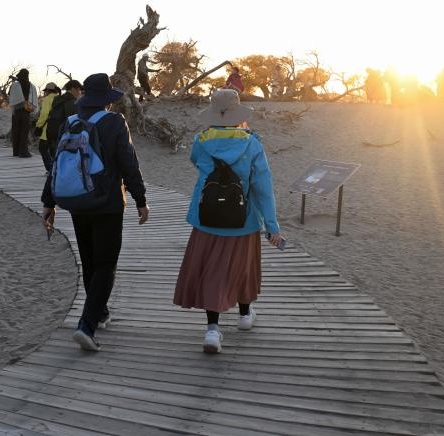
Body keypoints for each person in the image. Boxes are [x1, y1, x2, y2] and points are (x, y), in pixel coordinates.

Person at [41, 73, 149, 352]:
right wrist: (140, 198)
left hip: (77, 200)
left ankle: (98, 313)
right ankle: (86, 325)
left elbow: (57, 164)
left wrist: (48, 202)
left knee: (89, 260)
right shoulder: (114, 122)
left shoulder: (71, 122)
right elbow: (128, 162)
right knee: (106, 263)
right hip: (108, 202)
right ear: (107, 101)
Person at [173, 88, 282, 354]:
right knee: (244, 268)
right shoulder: (252, 144)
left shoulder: (201, 140)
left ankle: (212, 330)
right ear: (238, 114)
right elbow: (263, 187)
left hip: (207, 218)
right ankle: (245, 315)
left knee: (212, 271)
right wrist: (272, 226)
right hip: (243, 219)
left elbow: (195, 161)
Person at [45, 79, 82, 158]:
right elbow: (73, 122)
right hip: (64, 135)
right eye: (79, 90)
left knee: (55, 157)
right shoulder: (72, 102)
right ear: (72, 89)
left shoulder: (57, 99)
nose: (80, 93)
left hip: (52, 132)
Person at [8, 68, 39, 158]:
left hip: (16, 112)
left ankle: (16, 151)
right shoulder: (32, 86)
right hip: (26, 112)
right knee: (24, 132)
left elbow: (10, 95)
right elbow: (34, 100)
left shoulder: (15, 85)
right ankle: (23, 152)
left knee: (16, 131)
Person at [33, 82, 61, 171]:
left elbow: (44, 114)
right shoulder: (60, 98)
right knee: (54, 151)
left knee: (43, 149)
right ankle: (56, 168)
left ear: (48, 90)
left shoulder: (47, 99)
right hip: (59, 128)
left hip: (47, 129)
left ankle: (50, 169)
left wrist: (38, 125)